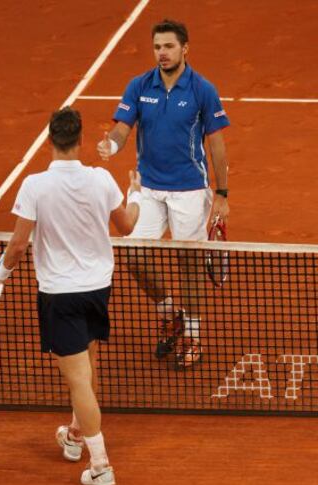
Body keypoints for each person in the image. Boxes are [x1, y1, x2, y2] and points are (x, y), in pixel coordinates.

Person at [0, 106, 141, 485]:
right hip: (98, 289)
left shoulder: (35, 186)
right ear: (80, 141)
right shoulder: (102, 179)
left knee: (78, 379)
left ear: (50, 141)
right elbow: (128, 224)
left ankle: (101, 465)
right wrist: (136, 192)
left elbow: (16, 246)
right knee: (88, 369)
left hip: (60, 295)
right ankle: (75, 437)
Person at [97, 19, 230, 370]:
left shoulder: (202, 89)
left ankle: (193, 335)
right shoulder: (140, 85)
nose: (162, 53)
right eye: (157, 46)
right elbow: (123, 128)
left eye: (169, 46)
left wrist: (223, 192)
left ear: (184, 48)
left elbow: (216, 142)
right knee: (135, 258)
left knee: (189, 264)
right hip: (149, 189)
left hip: (190, 190)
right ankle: (170, 312)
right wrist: (111, 143)